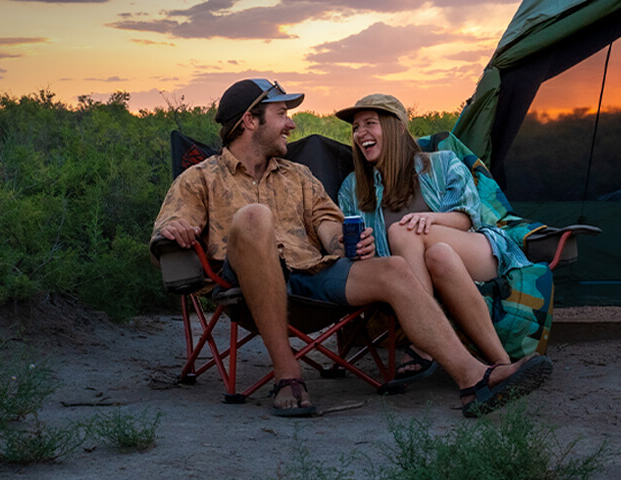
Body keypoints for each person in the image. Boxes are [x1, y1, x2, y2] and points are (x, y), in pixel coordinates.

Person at [151, 79, 552, 418]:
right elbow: (169, 226)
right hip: (249, 280)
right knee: (254, 216)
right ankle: (287, 373)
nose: (292, 123)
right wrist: (178, 229)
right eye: (282, 114)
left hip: (312, 274)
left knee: (395, 268)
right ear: (249, 121)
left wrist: (339, 238)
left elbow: (328, 222)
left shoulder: (299, 175)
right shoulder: (199, 178)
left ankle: (474, 378)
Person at [335, 94, 533, 384]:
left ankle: (424, 343)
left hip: (473, 247)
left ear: (398, 127)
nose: (360, 133)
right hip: (432, 264)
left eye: (370, 123)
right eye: (355, 128)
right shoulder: (353, 188)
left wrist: (431, 219)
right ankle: (501, 365)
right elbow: (351, 245)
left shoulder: (441, 164)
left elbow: (467, 218)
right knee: (438, 254)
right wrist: (357, 247)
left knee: (403, 231)